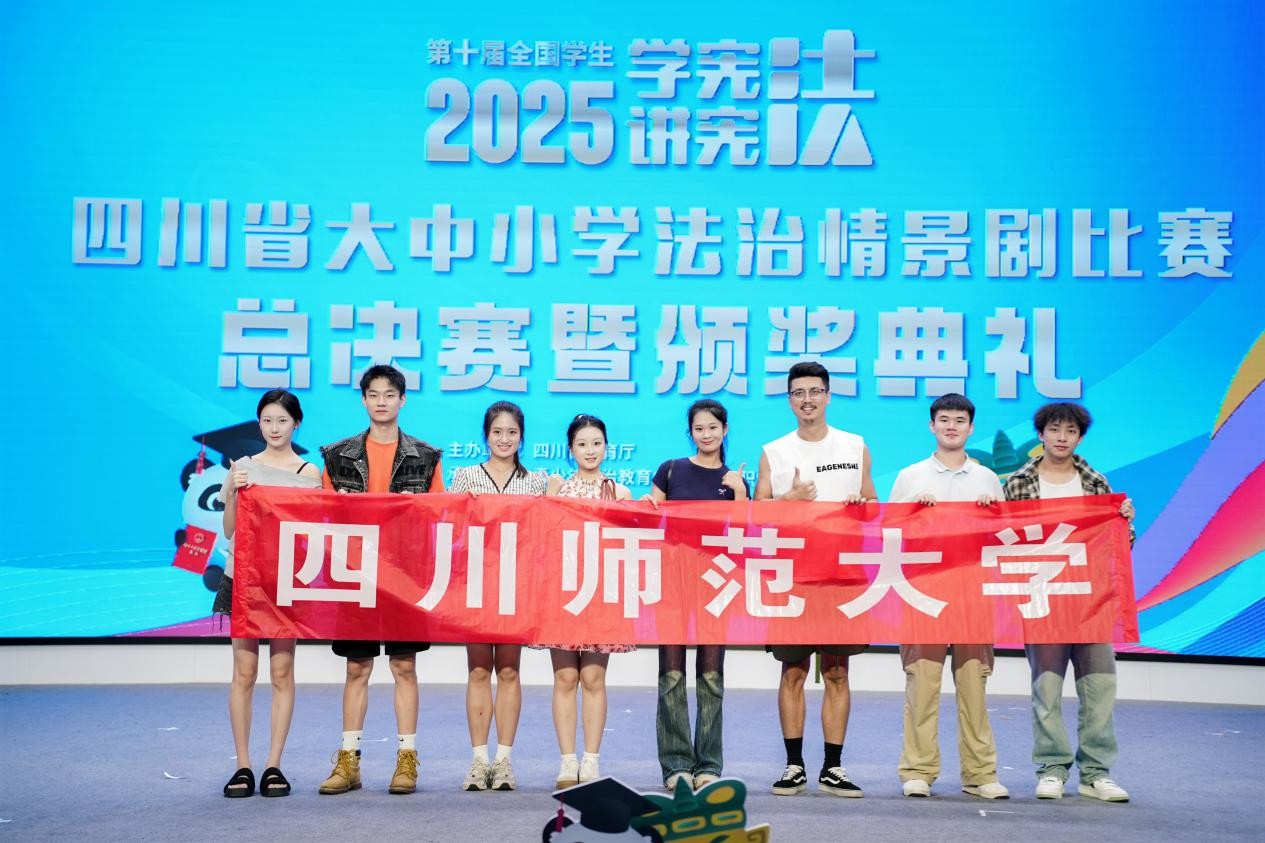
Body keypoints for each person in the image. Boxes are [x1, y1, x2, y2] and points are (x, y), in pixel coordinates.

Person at [317, 364, 444, 796]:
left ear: (402, 400)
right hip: (355, 574)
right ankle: (348, 761)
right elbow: (319, 517)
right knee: (357, 667)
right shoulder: (336, 455)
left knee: (404, 665)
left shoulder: (426, 456)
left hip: (404, 575)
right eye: (373, 394)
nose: (381, 402)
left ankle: (407, 760)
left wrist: (416, 511)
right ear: (363, 400)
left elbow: (440, 518)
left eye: (390, 394)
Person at [754, 360, 875, 798]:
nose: (807, 400)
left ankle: (833, 767)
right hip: (792, 575)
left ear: (828, 396)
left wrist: (862, 504)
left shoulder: (854, 445)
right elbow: (755, 513)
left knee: (838, 671)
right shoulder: (774, 451)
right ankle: (793, 765)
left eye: (814, 391)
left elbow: (874, 505)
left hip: (842, 573)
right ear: (789, 400)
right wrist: (788, 499)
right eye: (798, 392)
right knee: (793, 671)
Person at [1004, 402, 1135, 803]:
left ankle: (1096, 773)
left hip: (1091, 600)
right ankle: (1052, 769)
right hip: (1042, 598)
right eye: (1055, 429)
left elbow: (1119, 544)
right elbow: (1001, 540)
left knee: (1099, 688)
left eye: (1071, 431)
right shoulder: (1018, 482)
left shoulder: (1094, 480)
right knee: (1046, 689)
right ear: (1041, 434)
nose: (1062, 437)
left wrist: (1124, 521)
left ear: (1080, 437)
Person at [888, 393, 1009, 800]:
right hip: (924, 592)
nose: (951, 426)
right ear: (932, 426)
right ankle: (917, 770)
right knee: (922, 685)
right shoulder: (910, 476)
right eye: (944, 419)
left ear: (971, 428)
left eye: (959, 420)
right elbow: (889, 533)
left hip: (973, 593)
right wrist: (913, 512)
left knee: (974, 686)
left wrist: (992, 514)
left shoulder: (988, 478)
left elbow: (1004, 539)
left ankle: (980, 774)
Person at [217, 389, 321, 798]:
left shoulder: (309, 473)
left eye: (282, 420)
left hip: (285, 582)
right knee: (244, 672)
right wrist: (232, 490)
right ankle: (242, 765)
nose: (274, 428)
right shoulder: (242, 467)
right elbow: (230, 529)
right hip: (243, 578)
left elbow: (313, 534)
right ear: (258, 423)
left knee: (281, 672)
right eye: (267, 420)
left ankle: (273, 764)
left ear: (296, 424)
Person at [645, 399, 748, 792]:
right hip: (673, 581)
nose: (706, 434)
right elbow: (651, 517)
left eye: (713, 428)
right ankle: (675, 766)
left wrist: (740, 494)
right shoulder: (671, 469)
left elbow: (746, 532)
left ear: (725, 430)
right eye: (699, 428)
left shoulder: (733, 479)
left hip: (716, 584)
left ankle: (709, 765)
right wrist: (648, 506)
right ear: (690, 432)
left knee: (711, 676)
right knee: (671, 675)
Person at [449, 401, 548, 792]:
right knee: (478, 670)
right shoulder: (465, 477)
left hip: (516, 588)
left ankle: (504, 760)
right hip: (475, 586)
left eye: (512, 432)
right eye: (497, 432)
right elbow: (449, 530)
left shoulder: (536, 482)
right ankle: (478, 761)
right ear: (485, 435)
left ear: (521, 436)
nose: (504, 439)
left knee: (508, 670)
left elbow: (545, 535)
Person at [541, 414, 634, 789]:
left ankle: (591, 760)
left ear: (607, 447)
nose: (590, 450)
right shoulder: (558, 489)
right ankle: (567, 761)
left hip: (601, 594)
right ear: (571, 449)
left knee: (593, 677)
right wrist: (549, 498)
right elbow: (543, 542)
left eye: (597, 443)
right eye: (582, 444)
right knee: (565, 677)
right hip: (563, 593)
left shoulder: (619, 492)